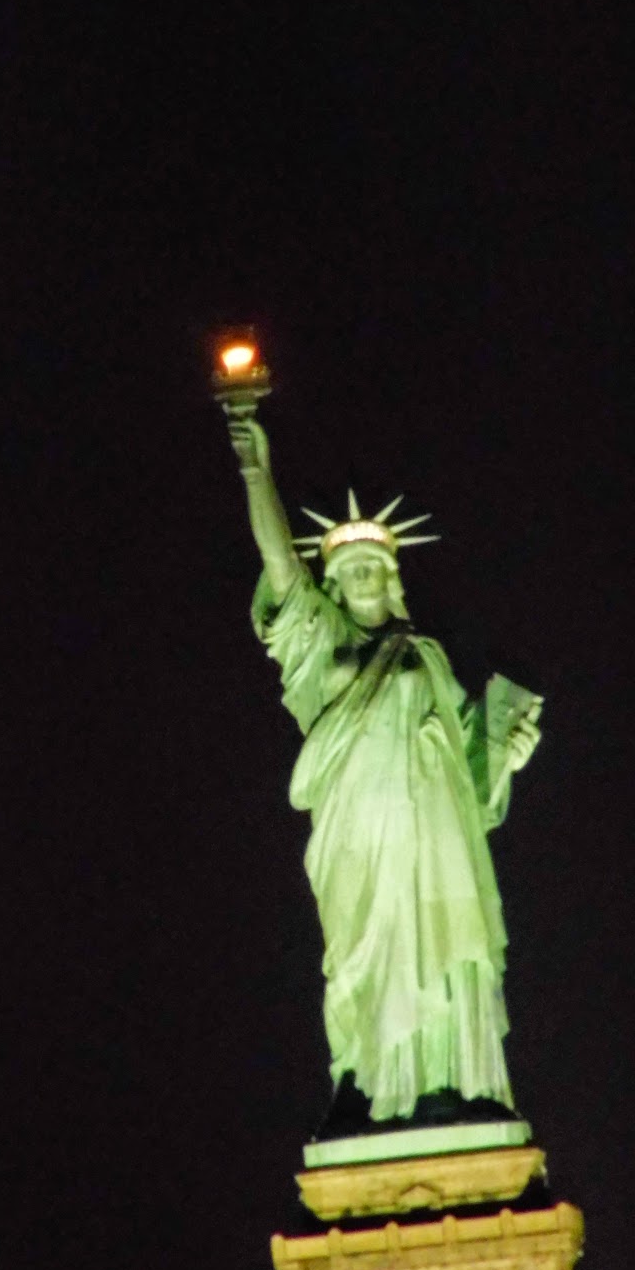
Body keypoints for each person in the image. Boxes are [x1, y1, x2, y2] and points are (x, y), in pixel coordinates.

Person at [230, 415, 541, 1128]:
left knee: (442, 939)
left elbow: (472, 767)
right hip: (360, 834)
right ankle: (366, 1082)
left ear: (392, 574)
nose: (363, 571)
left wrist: (507, 753)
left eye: (374, 561)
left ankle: (449, 1081)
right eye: (348, 567)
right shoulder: (322, 645)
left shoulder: (426, 656)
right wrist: (255, 469)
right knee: (362, 953)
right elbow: (280, 566)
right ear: (333, 585)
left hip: (435, 833)